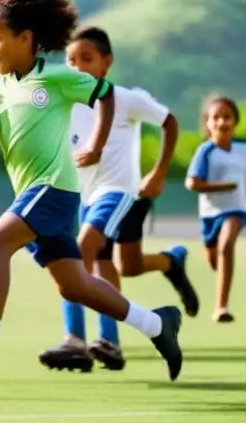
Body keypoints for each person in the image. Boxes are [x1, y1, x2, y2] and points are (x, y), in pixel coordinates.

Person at [0, 0, 183, 385]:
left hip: (52, 189)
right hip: (36, 193)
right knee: (75, 286)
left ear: (26, 38)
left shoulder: (58, 78)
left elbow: (108, 96)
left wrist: (98, 144)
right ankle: (157, 324)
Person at [38, 26, 198, 373]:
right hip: (80, 195)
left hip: (117, 192)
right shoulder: (67, 103)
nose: (77, 67)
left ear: (106, 63)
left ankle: (79, 340)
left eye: (87, 59)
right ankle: (103, 343)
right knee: (101, 263)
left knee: (82, 253)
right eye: (71, 60)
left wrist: (157, 173)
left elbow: (169, 123)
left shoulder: (125, 99)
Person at [185, 95, 246, 323]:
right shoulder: (205, 152)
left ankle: (221, 307)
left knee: (226, 246)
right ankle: (224, 270)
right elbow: (192, 183)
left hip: (237, 209)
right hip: (210, 214)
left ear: (235, 121)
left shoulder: (245, 149)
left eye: (227, 117)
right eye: (216, 117)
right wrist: (224, 186)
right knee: (215, 260)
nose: (221, 122)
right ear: (207, 122)